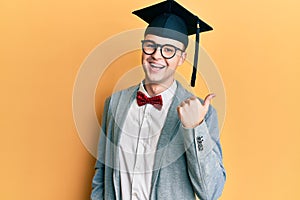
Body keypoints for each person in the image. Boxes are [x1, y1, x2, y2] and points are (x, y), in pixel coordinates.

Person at [91, 0, 226, 199]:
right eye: (150, 46)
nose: (156, 55)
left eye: (169, 50)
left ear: (181, 58)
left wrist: (195, 127)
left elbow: (210, 191)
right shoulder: (114, 103)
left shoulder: (201, 113)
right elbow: (102, 172)